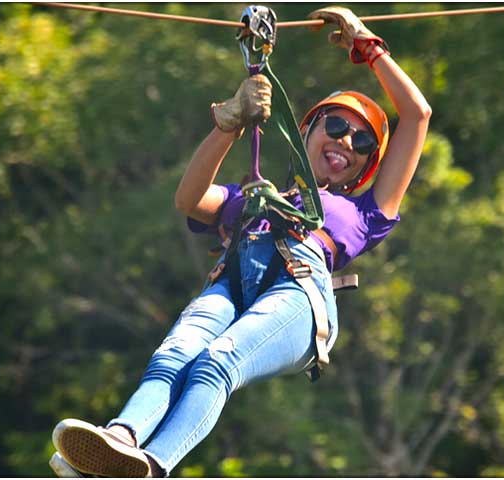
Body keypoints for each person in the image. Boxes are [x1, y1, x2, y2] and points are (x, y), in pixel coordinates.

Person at [51, 7, 431, 478]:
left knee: (217, 361)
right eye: (336, 127)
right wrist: (228, 124)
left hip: (301, 292)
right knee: (173, 357)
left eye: (362, 143)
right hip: (233, 283)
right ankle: (120, 440)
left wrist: (366, 44)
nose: (347, 142)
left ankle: (152, 465)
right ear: (307, 130)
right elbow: (190, 199)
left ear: (367, 166)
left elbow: (417, 116)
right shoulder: (257, 196)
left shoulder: (365, 213)